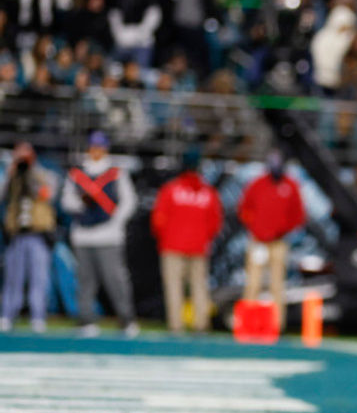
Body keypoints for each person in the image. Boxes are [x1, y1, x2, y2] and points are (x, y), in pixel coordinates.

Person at [60, 130, 139, 338]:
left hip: (108, 235)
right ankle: (86, 319)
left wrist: (115, 221)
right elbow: (66, 200)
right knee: (85, 280)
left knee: (115, 279)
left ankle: (126, 319)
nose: (96, 151)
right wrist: (81, 204)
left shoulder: (115, 172)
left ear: (105, 148)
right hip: (83, 234)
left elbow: (129, 201)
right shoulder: (77, 172)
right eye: (93, 146)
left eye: (100, 146)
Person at [150, 149, 223, 334]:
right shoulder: (208, 192)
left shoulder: (171, 189)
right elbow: (215, 222)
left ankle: (176, 326)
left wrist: (166, 238)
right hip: (198, 247)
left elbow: (158, 219)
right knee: (199, 287)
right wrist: (202, 238)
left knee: (174, 287)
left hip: (173, 246)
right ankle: (201, 325)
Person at [237, 151, 305, 330]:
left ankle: (276, 326)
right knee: (252, 283)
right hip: (258, 241)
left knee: (277, 285)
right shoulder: (258, 184)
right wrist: (256, 229)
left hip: (278, 242)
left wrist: (282, 230)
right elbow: (244, 209)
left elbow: (298, 215)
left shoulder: (290, 185)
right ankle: (246, 324)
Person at [0, 143, 57, 333]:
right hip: (16, 235)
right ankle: (8, 315)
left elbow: (48, 193)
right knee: (12, 279)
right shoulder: (12, 175)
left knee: (38, 278)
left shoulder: (42, 173)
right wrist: (11, 173)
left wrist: (31, 172)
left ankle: (38, 316)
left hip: (38, 234)